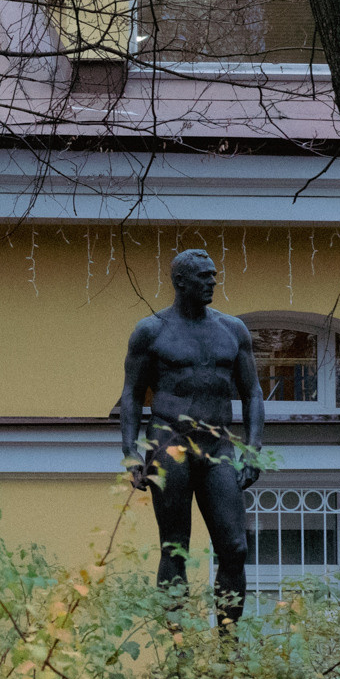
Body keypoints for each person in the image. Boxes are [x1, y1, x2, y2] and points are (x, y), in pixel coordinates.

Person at [119, 249, 266, 627]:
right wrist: (131, 452)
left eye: (214, 275)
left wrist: (252, 451)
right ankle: (179, 651)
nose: (212, 282)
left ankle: (228, 649)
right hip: (169, 441)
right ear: (179, 281)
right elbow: (133, 395)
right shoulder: (151, 331)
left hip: (218, 445)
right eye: (203, 276)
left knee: (234, 548)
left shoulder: (232, 330)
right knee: (175, 546)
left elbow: (252, 393)